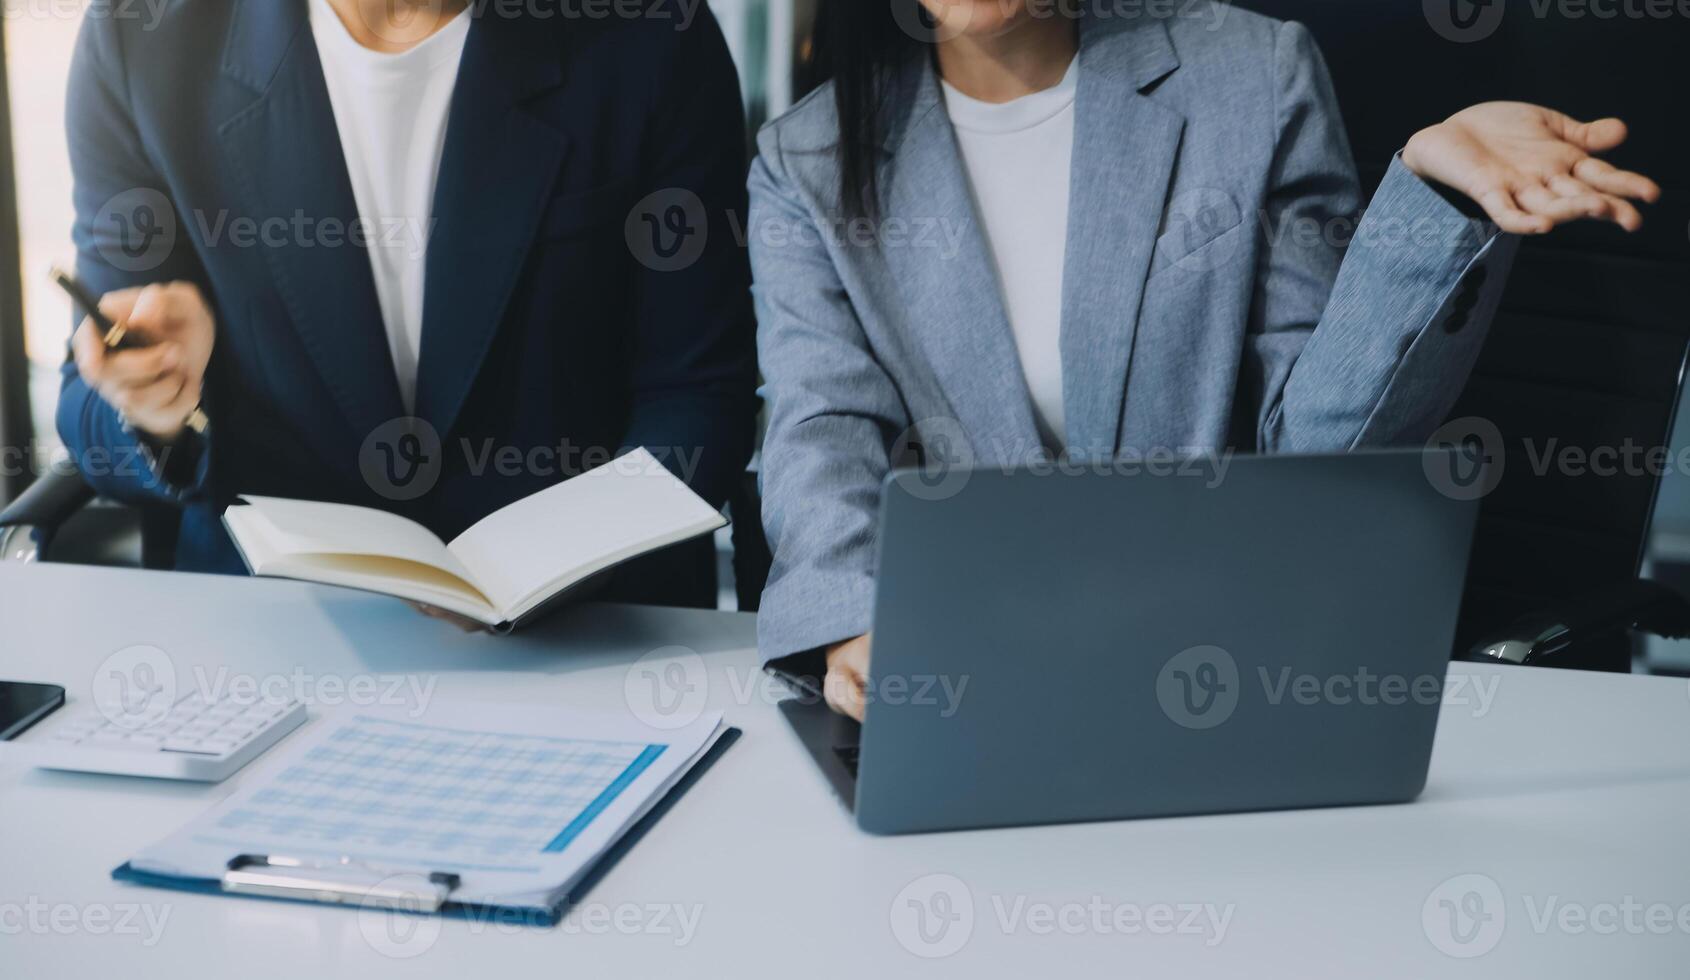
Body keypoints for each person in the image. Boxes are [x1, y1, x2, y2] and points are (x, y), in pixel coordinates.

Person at [749, 0, 1662, 717]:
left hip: (1226, 658)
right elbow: (821, 427)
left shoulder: (1252, 74)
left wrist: (1425, 201)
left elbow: (1316, 441)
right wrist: (851, 615)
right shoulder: (806, 160)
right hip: (976, 669)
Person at [59, 0, 757, 608]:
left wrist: (547, 569)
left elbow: (699, 394)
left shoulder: (650, 34)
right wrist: (156, 408)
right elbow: (87, 416)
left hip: (591, 622)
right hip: (274, 629)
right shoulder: (143, 40)